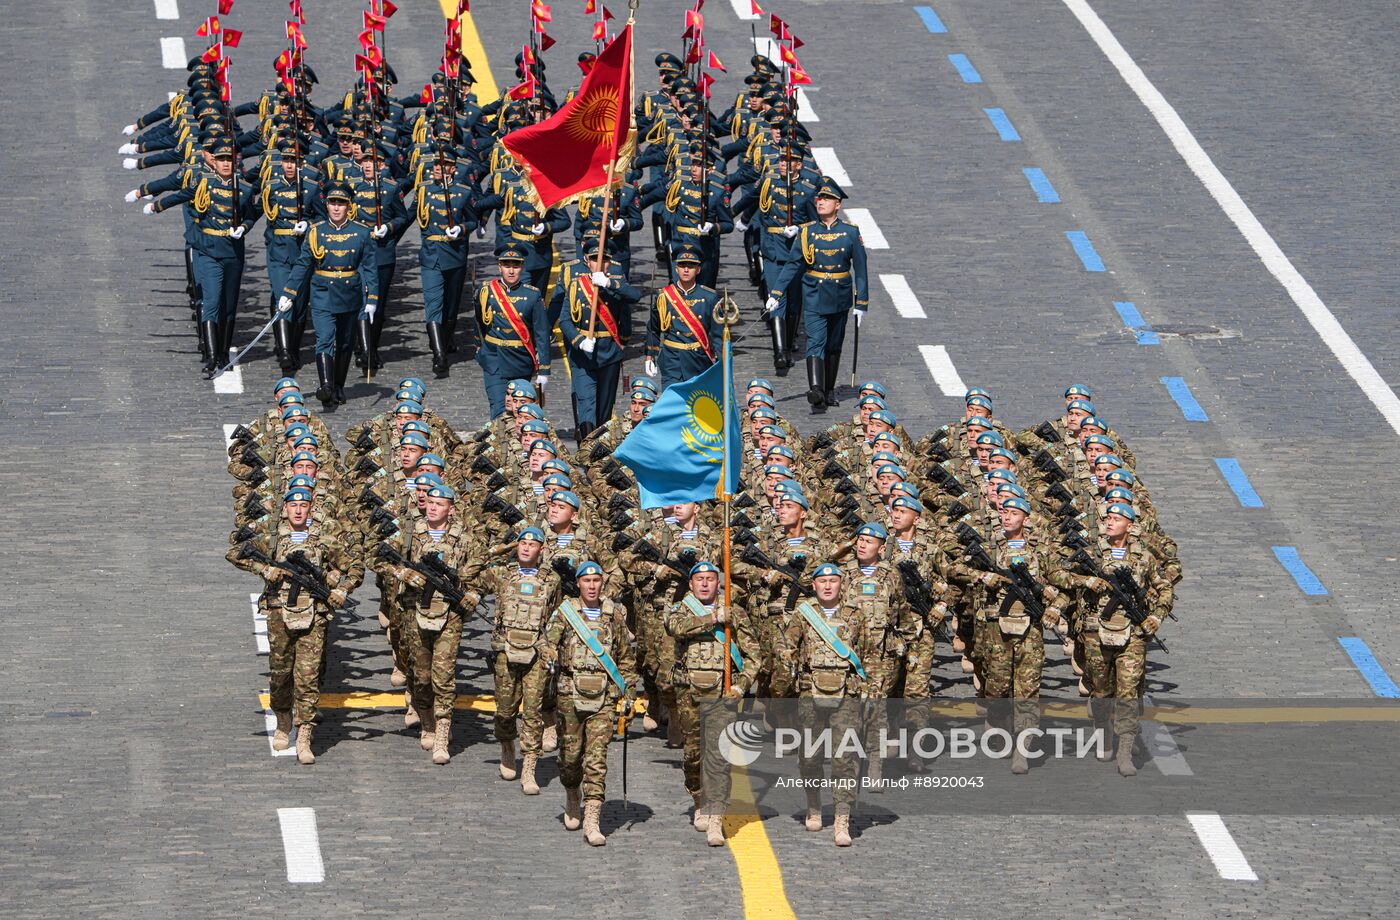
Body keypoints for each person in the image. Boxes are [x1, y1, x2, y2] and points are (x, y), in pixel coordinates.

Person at [227, 486, 363, 765]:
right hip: (280, 613)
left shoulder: (324, 541)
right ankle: (283, 719)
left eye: (303, 506)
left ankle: (304, 735)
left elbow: (355, 568)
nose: (298, 510)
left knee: (308, 678)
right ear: (286, 508)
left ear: (311, 508)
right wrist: (266, 570)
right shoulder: (273, 539)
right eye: (293, 506)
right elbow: (236, 553)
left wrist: (340, 585)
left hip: (313, 614)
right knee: (280, 675)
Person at [538, 561, 639, 846]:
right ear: (579, 584)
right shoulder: (566, 612)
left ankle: (593, 819)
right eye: (587, 581)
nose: (592, 586)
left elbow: (625, 658)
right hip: (570, 693)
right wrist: (549, 656)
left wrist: (628, 694)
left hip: (604, 697)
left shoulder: (614, 615)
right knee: (570, 758)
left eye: (596, 581)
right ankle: (572, 792)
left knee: (596, 760)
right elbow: (547, 641)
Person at [784, 563, 880, 847]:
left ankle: (841, 817)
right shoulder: (803, 615)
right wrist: (789, 663)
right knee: (810, 756)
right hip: (810, 693)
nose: (827, 586)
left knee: (845, 756)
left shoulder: (855, 616)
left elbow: (871, 655)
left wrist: (873, 689)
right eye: (822, 582)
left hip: (847, 694)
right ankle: (814, 803)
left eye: (833, 581)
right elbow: (785, 646)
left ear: (842, 585)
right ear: (813, 586)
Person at [665, 561, 758, 846]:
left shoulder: (735, 613)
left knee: (719, 757)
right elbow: (675, 628)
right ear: (691, 585)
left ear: (719, 583)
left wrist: (742, 685)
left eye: (710, 579)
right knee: (694, 755)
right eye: (699, 579)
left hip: (722, 695)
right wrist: (714, 619)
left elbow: (754, 654)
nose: (705, 584)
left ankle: (716, 816)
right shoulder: (681, 609)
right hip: (689, 693)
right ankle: (698, 797)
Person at [465, 528, 563, 793]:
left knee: (533, 711)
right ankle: (507, 744)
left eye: (533, 544)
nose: (526, 548)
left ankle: (529, 767)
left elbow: (555, 614)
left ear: (541, 550)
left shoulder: (551, 580)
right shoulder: (502, 574)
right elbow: (466, 575)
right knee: (505, 711)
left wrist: (552, 647)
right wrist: (498, 549)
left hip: (536, 653)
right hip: (506, 651)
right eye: (522, 543)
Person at [766, 177, 869, 412]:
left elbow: (861, 270)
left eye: (827, 199)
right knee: (815, 340)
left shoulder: (850, 233)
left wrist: (861, 303)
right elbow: (793, 265)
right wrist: (776, 293)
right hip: (813, 292)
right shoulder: (807, 233)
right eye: (820, 198)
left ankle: (829, 389)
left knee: (834, 344)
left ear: (838, 204)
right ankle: (815, 389)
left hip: (840, 294)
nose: (821, 202)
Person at [278, 182, 380, 409]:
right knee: (324, 339)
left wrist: (372, 299)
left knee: (344, 343)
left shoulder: (362, 232)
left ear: (349, 206)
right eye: (332, 203)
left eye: (341, 204)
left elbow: (370, 268)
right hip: (323, 291)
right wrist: (289, 293)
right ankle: (325, 386)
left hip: (350, 292)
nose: (336, 208)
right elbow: (303, 264)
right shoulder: (316, 232)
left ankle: (338, 385)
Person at [555, 251, 642, 439]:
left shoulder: (615, 286)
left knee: (604, 407)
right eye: (595, 259)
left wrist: (609, 284)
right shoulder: (575, 286)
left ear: (610, 263)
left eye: (604, 260)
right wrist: (579, 341)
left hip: (609, 353)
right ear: (587, 261)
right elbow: (564, 321)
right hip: (583, 354)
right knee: (586, 403)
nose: (599, 264)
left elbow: (635, 296)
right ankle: (587, 447)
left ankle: (598, 450)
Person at [475, 243, 551, 416]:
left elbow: (542, 333)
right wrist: (480, 349)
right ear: (499, 266)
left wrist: (544, 370)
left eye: (515, 266)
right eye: (507, 266)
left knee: (520, 411)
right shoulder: (486, 291)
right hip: (494, 359)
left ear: (522, 267)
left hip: (520, 361)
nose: (511, 271)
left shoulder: (533, 295)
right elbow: (478, 322)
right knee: (498, 409)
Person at [645, 242, 720, 391]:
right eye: (682, 265)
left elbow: (717, 334)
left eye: (691, 266)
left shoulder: (709, 297)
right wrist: (650, 355)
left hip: (699, 360)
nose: (686, 270)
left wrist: (722, 363)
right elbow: (653, 328)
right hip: (672, 361)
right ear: (676, 268)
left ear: (698, 269)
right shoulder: (663, 296)